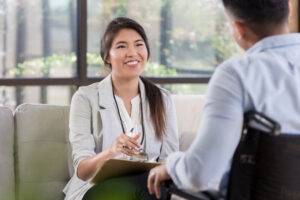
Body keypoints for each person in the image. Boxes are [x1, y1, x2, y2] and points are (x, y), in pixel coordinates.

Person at [147, 0, 300, 198]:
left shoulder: (236, 74)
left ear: (239, 29)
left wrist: (170, 164)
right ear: (288, 10)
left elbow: (200, 174)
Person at [63, 17, 179, 200]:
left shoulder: (162, 99)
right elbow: (83, 171)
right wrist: (111, 152)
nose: (132, 52)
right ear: (107, 56)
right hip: (95, 189)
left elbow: (169, 161)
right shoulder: (85, 98)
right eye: (122, 46)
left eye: (139, 44)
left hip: (149, 186)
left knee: (152, 186)